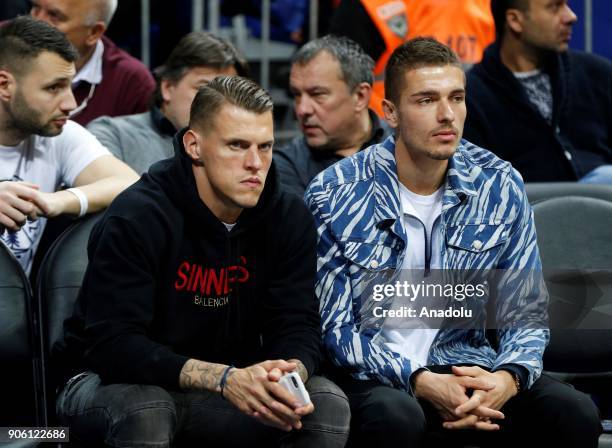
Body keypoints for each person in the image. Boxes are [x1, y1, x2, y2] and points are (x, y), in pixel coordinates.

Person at [305, 37, 601, 447]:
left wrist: (507, 378)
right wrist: (421, 381)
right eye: (426, 100)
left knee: (574, 414)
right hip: (375, 377)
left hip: (468, 367)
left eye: (456, 98)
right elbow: (334, 328)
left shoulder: (498, 183)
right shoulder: (336, 192)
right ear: (389, 111)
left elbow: (525, 311)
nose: (447, 115)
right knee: (396, 416)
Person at [54, 76, 350, 447]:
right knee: (146, 408)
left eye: (266, 146)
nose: (255, 163)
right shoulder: (138, 215)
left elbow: (297, 321)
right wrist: (222, 378)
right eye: (237, 145)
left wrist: (287, 371)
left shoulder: (287, 215)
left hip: (228, 383)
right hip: (109, 384)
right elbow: (114, 346)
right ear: (194, 146)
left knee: (323, 403)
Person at [0, 16, 138, 274]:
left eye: (70, 86)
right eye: (54, 88)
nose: (71, 104)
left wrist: (56, 201)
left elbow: (128, 183)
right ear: (5, 85)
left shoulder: (58, 135)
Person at [464, 0, 612, 183]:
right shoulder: (471, 97)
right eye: (554, 7)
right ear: (515, 20)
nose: (571, 17)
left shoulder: (598, 74)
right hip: (528, 206)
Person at [87, 31, 248, 174]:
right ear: (168, 88)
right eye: (203, 89)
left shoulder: (246, 145)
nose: (216, 102)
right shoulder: (113, 134)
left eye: (227, 93)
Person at [330, 0, 495, 116]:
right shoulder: (370, 6)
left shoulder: (493, 6)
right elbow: (338, 81)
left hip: (473, 127)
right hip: (389, 136)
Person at [275, 35, 392, 197]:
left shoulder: (406, 147)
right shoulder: (285, 167)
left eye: (317, 94)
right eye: (296, 94)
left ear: (360, 96)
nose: (302, 110)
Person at [30, 0, 155, 125]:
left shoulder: (131, 82)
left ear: (94, 32)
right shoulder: (11, 41)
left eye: (54, 15)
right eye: (35, 8)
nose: (35, 23)